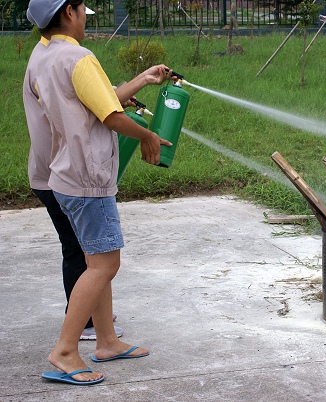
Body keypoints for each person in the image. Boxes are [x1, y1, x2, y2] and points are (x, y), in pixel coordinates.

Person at [25, 0, 172, 385]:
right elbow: (111, 115)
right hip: (87, 179)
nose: (84, 19)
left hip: (65, 173)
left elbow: (97, 102)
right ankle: (64, 350)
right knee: (105, 265)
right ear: (68, 13)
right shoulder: (79, 58)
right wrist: (147, 136)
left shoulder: (42, 57)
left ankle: (106, 341)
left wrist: (140, 81)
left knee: (95, 260)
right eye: (82, 11)